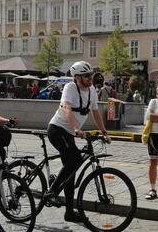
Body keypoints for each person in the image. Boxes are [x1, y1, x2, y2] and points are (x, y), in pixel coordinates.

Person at [45, 61, 111, 222]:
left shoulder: (92, 91)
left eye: (91, 75)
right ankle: (51, 192)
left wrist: (104, 132)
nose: (90, 78)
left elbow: (95, 112)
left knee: (71, 172)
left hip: (69, 133)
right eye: (86, 76)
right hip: (57, 129)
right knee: (74, 158)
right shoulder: (70, 88)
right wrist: (76, 129)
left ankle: (69, 212)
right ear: (76, 78)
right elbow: (67, 108)